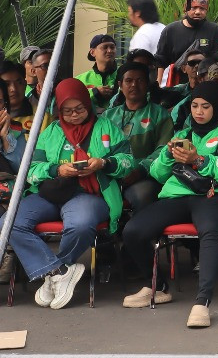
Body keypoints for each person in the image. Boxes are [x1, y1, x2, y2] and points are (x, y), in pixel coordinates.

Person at [121, 81, 218, 327]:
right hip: (178, 195)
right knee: (133, 230)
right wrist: (168, 155)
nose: (198, 111)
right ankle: (157, 286)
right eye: (194, 105)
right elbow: (157, 174)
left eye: (205, 106)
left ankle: (202, 301)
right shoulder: (183, 134)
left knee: (209, 230)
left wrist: (198, 159)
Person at [10, 79, 130, 310]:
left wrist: (104, 163)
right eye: (67, 111)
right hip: (50, 192)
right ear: (59, 110)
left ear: (88, 104)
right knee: (10, 223)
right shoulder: (50, 132)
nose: (74, 115)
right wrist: (57, 169)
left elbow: (128, 162)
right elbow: (31, 169)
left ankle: (54, 273)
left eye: (79, 109)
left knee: (80, 225)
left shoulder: (107, 127)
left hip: (90, 194)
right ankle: (59, 271)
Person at [102, 60, 174, 211]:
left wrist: (140, 170)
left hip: (144, 176)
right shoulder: (108, 116)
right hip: (109, 173)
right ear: (120, 85)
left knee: (143, 194)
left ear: (147, 84)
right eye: (128, 81)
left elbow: (163, 149)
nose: (134, 85)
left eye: (140, 80)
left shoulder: (159, 114)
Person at [154, 0, 218, 70]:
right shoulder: (170, 30)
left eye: (202, 8)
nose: (198, 12)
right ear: (186, 9)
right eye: (193, 8)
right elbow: (161, 61)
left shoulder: (215, 31)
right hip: (178, 76)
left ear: (206, 10)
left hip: (206, 76)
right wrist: (159, 78)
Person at [77, 34, 118, 106]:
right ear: (92, 52)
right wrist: (95, 93)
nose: (109, 51)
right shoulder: (80, 80)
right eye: (104, 47)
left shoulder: (125, 75)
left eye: (112, 47)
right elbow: (72, 101)